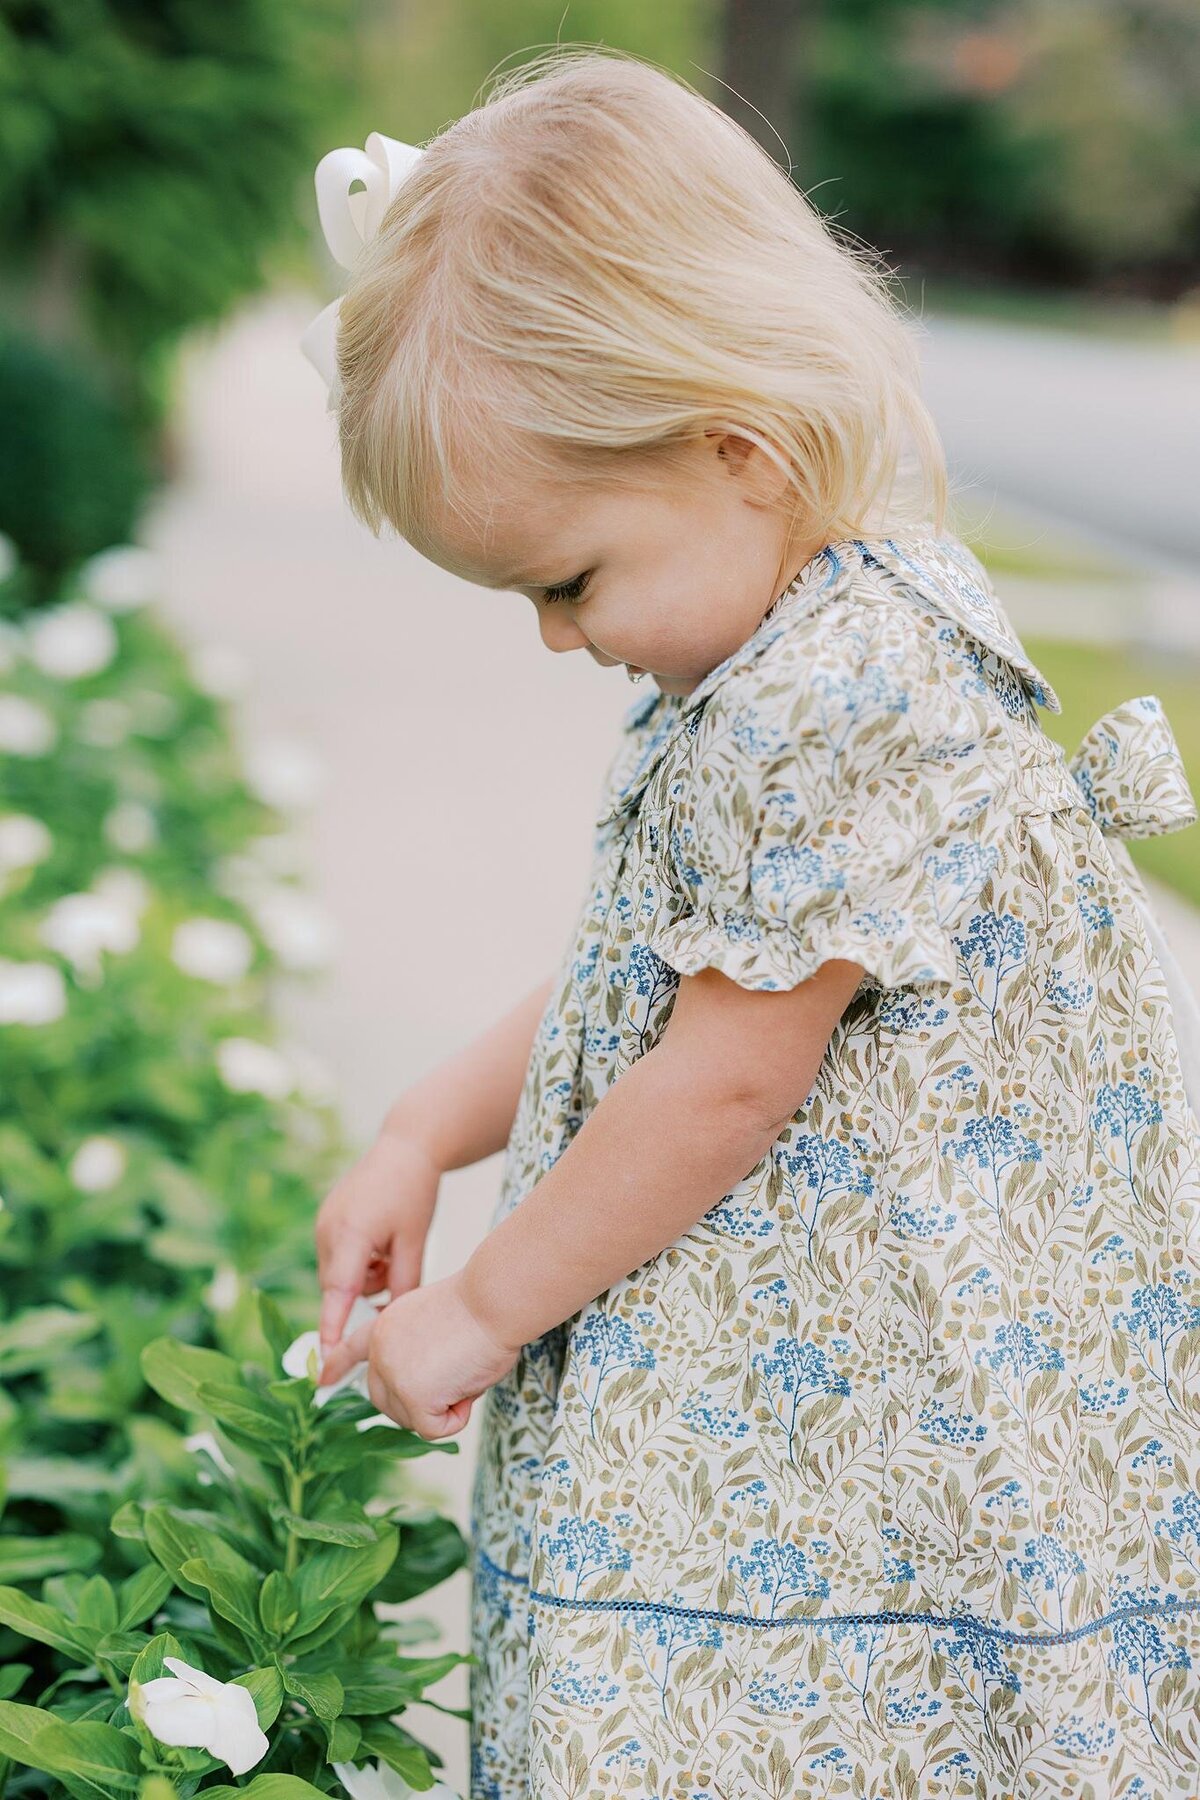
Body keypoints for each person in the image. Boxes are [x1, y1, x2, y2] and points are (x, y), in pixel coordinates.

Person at [306, 46, 1200, 1800]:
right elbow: (669, 963)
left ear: (736, 450)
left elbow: (722, 1079)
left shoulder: (845, 685)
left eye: (566, 581)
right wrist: (428, 1124)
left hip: (869, 1386)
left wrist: (486, 1307)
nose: (558, 640)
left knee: (786, 1722)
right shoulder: (766, 633)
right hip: (790, 1352)